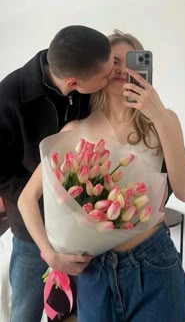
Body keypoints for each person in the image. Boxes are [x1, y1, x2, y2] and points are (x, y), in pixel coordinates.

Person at [18, 30, 185, 322]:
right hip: (94, 274)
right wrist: (50, 255)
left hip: (153, 263)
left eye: (131, 61)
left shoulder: (164, 120)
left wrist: (159, 116)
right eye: (114, 61)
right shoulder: (75, 130)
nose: (122, 69)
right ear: (99, 69)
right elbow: (27, 199)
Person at [0, 25, 114, 322]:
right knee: (24, 311)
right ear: (75, 81)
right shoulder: (8, 96)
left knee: (72, 309)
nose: (110, 77)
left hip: (82, 223)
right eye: (105, 75)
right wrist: (44, 193)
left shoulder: (89, 89)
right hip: (30, 227)